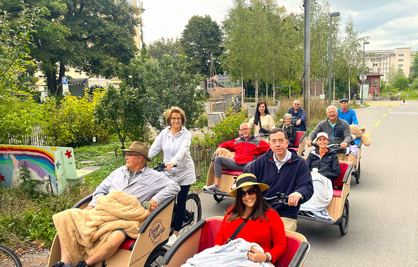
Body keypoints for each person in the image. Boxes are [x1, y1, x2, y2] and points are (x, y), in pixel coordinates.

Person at [52, 141, 180, 267]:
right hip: (103, 212)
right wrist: (93, 204)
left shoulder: (154, 176)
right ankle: (65, 263)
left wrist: (156, 198)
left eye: (129, 154)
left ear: (140, 158)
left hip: (125, 217)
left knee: (116, 238)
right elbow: (101, 188)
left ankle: (86, 264)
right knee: (66, 217)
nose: (126, 157)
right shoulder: (119, 171)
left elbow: (174, 186)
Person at [244, 127, 313, 231]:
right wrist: (237, 184)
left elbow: (307, 186)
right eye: (274, 141)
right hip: (261, 210)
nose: (277, 144)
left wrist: (299, 193)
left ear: (287, 143)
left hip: (286, 213)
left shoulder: (300, 163)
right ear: (270, 144)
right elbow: (246, 174)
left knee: (279, 237)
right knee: (246, 235)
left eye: (281, 140)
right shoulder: (262, 161)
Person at [211, 173, 287, 264]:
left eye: (251, 191)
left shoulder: (271, 215)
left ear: (257, 192)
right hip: (226, 258)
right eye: (243, 194)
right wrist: (216, 251)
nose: (247, 197)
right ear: (239, 196)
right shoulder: (232, 210)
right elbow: (221, 234)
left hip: (254, 262)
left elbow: (281, 245)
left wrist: (265, 257)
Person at [148, 106, 196, 247]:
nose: (176, 121)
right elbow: (154, 149)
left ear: (182, 120)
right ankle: (169, 222)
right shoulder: (164, 133)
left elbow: (182, 151)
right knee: (165, 200)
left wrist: (173, 162)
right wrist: (143, 159)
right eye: (173, 118)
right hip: (168, 172)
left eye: (178, 118)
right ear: (169, 120)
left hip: (184, 172)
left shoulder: (186, 134)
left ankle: (175, 233)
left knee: (180, 201)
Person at [203, 123, 270, 192]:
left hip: (248, 165)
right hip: (236, 163)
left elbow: (269, 148)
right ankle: (216, 185)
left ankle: (244, 186)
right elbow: (225, 143)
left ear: (250, 130)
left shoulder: (258, 142)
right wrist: (219, 147)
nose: (245, 131)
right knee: (217, 159)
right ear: (240, 131)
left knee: (254, 164)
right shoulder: (237, 141)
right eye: (242, 129)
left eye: (246, 129)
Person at [300, 132, 340, 221]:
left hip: (326, 180)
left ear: (327, 142)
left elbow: (336, 172)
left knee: (316, 179)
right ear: (317, 142)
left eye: (324, 140)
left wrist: (321, 174)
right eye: (320, 140)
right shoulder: (312, 153)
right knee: (307, 180)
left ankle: (314, 209)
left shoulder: (332, 155)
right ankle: (304, 207)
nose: (322, 142)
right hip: (312, 177)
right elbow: (305, 169)